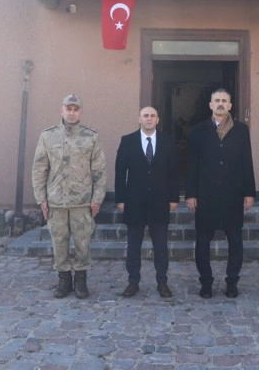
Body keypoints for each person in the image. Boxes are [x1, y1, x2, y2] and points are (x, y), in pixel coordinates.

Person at [32, 94, 107, 300]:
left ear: (80, 112)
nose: (71, 113)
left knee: (83, 242)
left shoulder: (91, 137)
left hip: (82, 201)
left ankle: (81, 279)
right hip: (56, 201)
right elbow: (39, 169)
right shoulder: (48, 136)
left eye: (75, 109)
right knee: (59, 241)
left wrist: (97, 198)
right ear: (62, 110)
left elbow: (99, 171)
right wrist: (41, 198)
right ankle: (63, 279)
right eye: (68, 109)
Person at [186, 88, 256, 299]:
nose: (220, 104)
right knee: (203, 241)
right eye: (217, 100)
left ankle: (232, 282)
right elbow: (191, 164)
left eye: (224, 101)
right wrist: (191, 194)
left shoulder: (241, 130)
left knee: (235, 240)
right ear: (210, 105)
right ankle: (206, 282)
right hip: (205, 194)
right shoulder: (198, 130)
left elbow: (246, 162)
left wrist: (249, 192)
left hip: (232, 194)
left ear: (230, 105)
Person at [114, 106, 179, 299]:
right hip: (134, 201)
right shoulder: (127, 141)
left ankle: (162, 282)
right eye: (145, 116)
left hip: (160, 201)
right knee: (134, 245)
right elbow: (120, 172)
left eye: (152, 116)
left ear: (157, 119)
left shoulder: (168, 141)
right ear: (139, 119)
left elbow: (173, 171)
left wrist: (174, 197)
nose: (149, 118)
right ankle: (133, 282)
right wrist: (120, 199)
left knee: (161, 246)